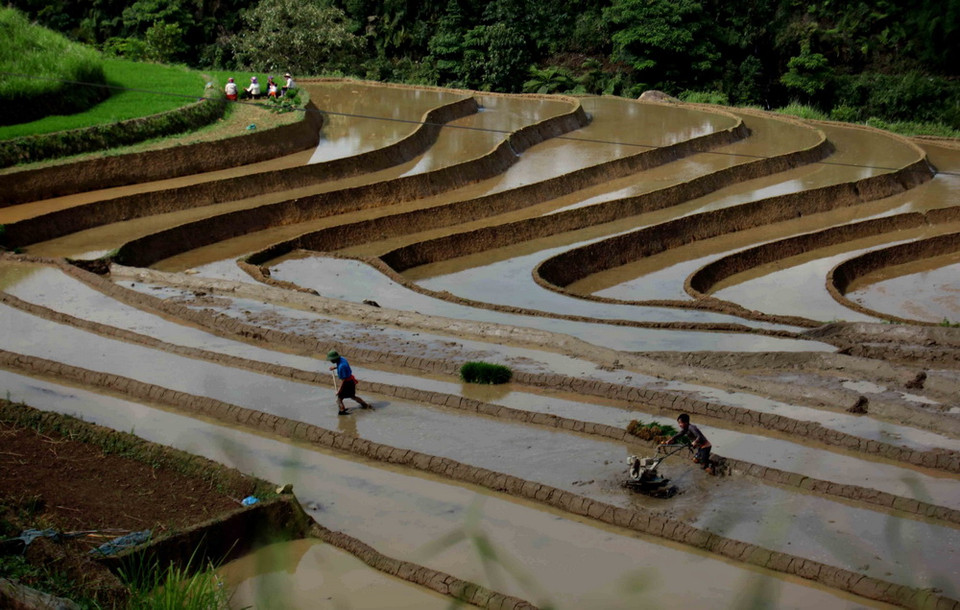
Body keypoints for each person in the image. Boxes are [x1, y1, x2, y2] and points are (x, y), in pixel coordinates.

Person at [327, 350, 371, 415]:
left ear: (335, 359)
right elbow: (341, 366)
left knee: (339, 399)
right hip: (350, 381)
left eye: (331, 360)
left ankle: (342, 411)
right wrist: (335, 367)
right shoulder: (342, 359)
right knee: (352, 396)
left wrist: (339, 390)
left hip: (347, 383)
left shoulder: (342, 366)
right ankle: (365, 405)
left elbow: (344, 380)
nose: (330, 361)